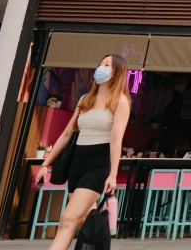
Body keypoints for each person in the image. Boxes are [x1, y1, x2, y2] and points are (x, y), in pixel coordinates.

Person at [36, 55, 131, 250]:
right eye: (100, 64)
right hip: (77, 163)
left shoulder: (120, 101)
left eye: (107, 65)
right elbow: (66, 134)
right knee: (85, 223)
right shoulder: (84, 100)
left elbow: (116, 139)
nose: (101, 68)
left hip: (98, 164)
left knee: (68, 219)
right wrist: (45, 165)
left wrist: (113, 174)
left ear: (117, 73)